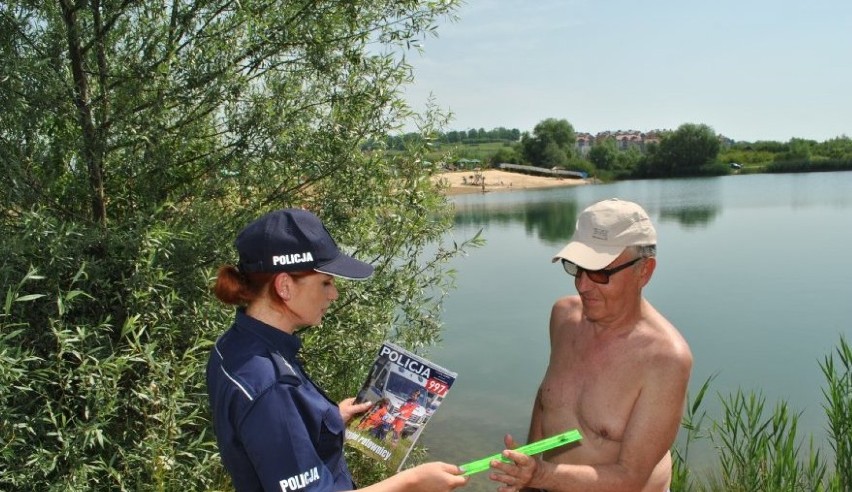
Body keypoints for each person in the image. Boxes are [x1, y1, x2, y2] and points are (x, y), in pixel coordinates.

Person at [206, 208, 467, 492]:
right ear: (284, 286)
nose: (334, 294)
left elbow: (270, 440)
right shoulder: (272, 385)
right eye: (326, 282)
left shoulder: (234, 346)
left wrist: (329, 420)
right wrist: (412, 482)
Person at [489, 198, 693, 492]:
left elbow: (631, 477)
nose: (583, 285)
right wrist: (528, 474)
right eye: (577, 268)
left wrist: (540, 475)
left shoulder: (664, 358)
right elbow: (547, 399)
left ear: (644, 271)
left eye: (600, 273)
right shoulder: (564, 318)